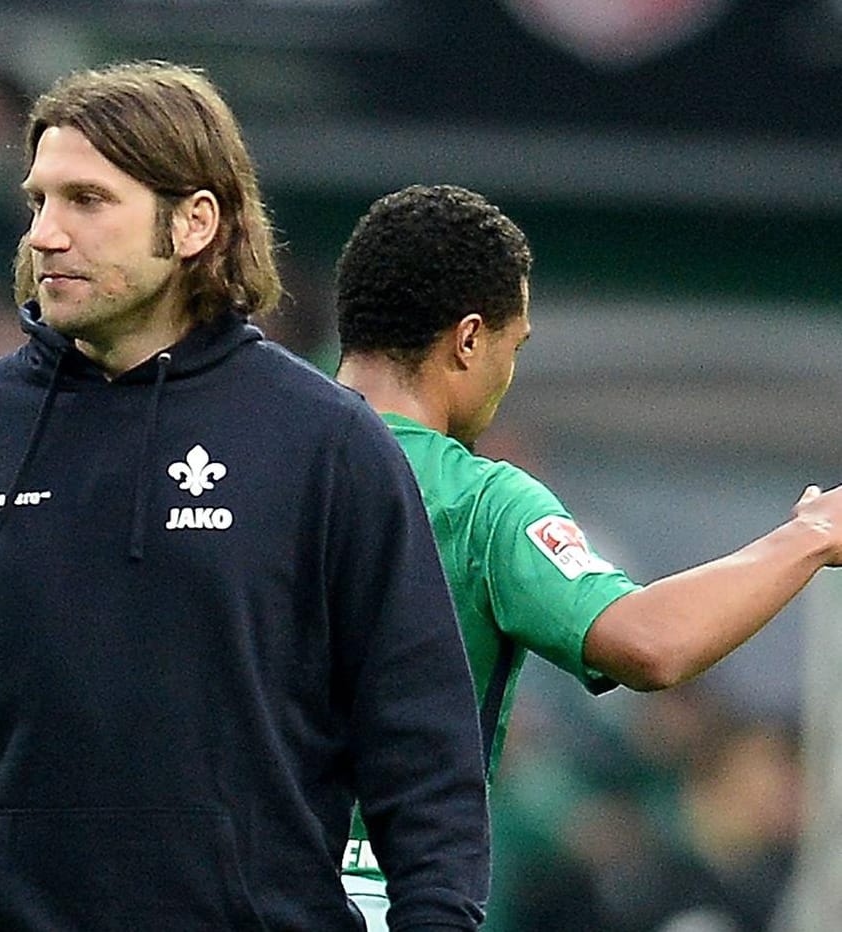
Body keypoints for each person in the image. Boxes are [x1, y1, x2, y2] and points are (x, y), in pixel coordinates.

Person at [0, 62, 491, 931]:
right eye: (40, 200)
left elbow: (421, 751)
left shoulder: (327, 444)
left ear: (195, 222)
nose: (45, 233)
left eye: (86, 201)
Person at [332, 183, 842, 929]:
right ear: (470, 340)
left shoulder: (246, 450)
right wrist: (811, 534)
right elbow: (649, 642)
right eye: (516, 346)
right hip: (382, 899)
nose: (510, 374)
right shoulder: (477, 501)